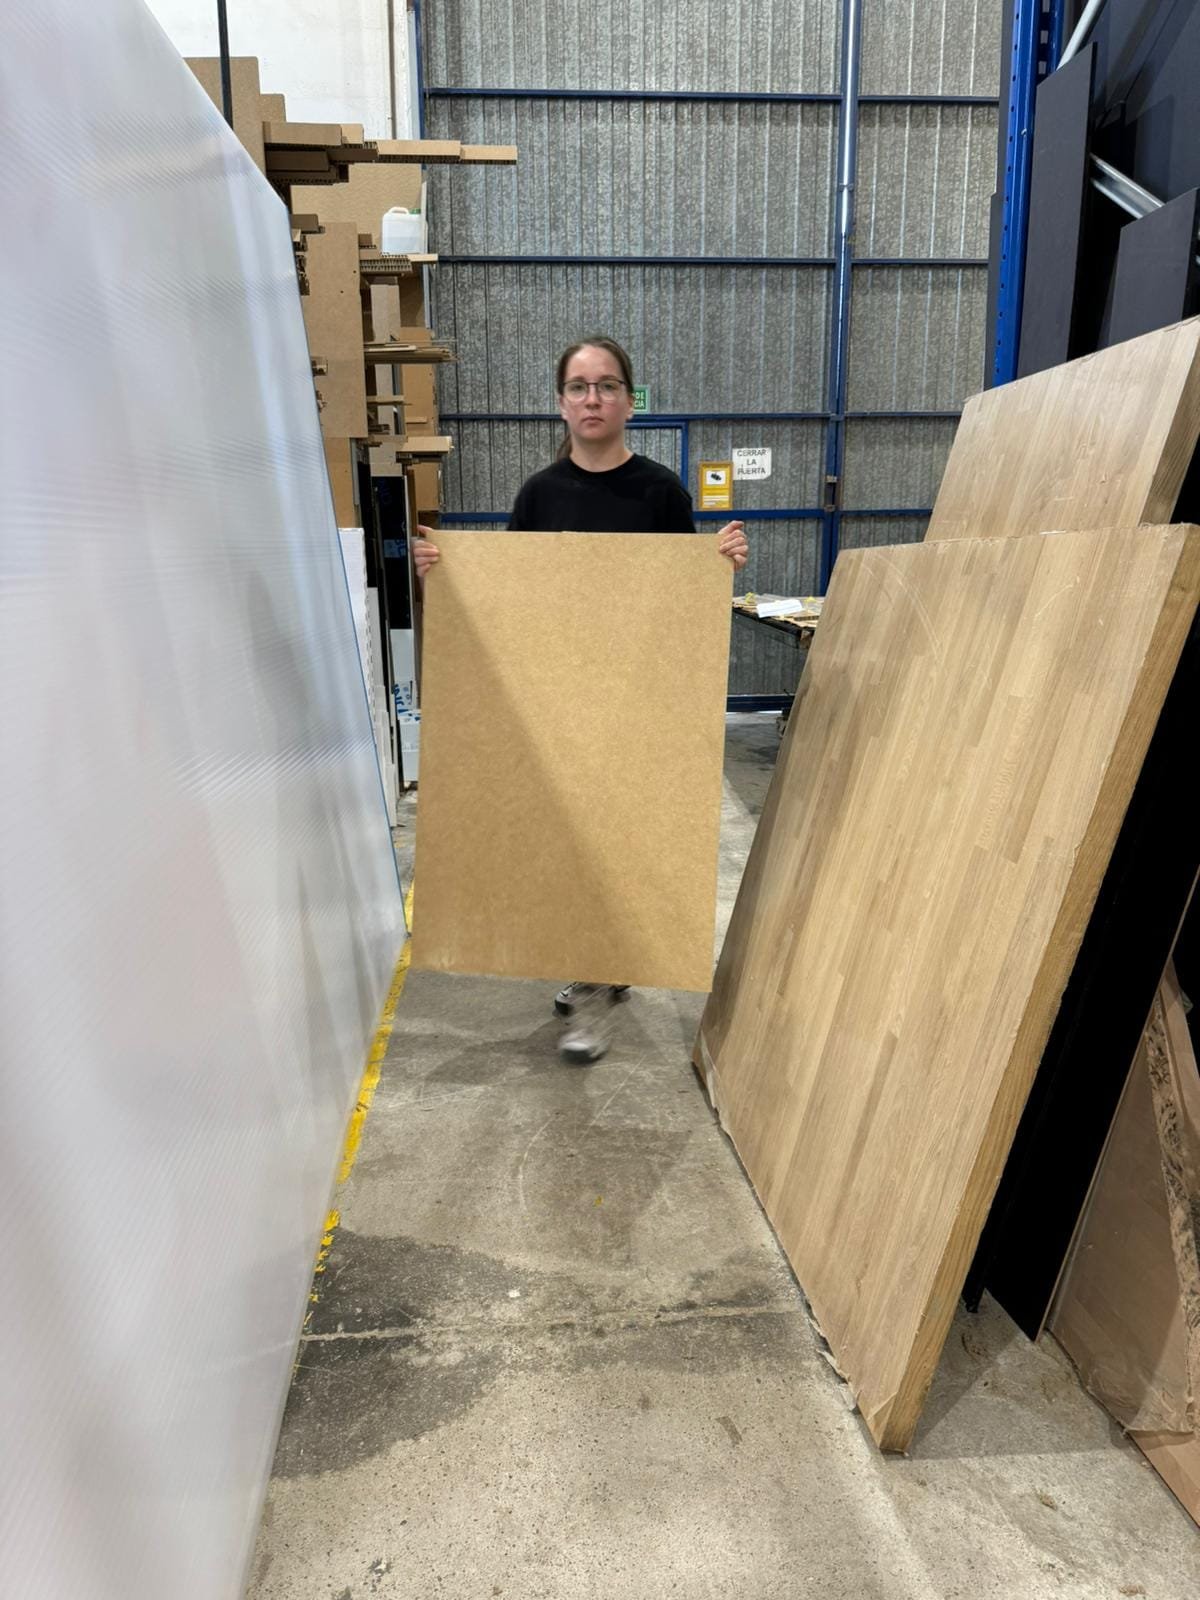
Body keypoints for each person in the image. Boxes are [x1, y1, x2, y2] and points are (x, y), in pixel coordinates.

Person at [413, 336, 748, 1065]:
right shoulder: (539, 494)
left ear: (630, 400)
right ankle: (594, 967)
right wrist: (445, 573)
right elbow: (511, 602)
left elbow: (681, 603)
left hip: (637, 697)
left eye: (606, 385)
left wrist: (716, 566)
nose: (592, 398)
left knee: (621, 835)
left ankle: (597, 982)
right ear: (561, 402)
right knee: (567, 836)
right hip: (559, 697)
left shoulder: (661, 492)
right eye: (578, 386)